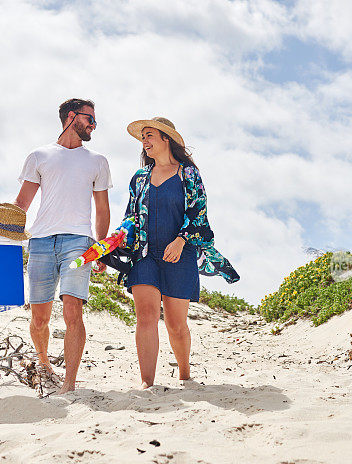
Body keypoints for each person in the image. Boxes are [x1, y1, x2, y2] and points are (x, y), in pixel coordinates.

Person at [121, 117, 238, 388]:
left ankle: (185, 374)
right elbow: (131, 216)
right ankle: (147, 384)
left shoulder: (188, 174)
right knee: (146, 317)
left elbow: (198, 213)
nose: (145, 141)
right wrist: (117, 240)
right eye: (143, 137)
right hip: (145, 255)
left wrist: (182, 240)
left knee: (175, 325)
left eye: (150, 135)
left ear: (166, 139)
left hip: (179, 256)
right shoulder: (139, 178)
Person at [14, 98, 111, 393]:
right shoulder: (39, 156)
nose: (93, 125)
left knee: (72, 311)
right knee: (39, 317)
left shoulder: (97, 161)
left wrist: (102, 248)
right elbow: (22, 204)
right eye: (89, 119)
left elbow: (103, 209)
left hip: (79, 242)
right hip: (41, 241)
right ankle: (43, 362)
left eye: (94, 121)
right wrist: (4, 234)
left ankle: (69, 384)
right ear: (72, 117)